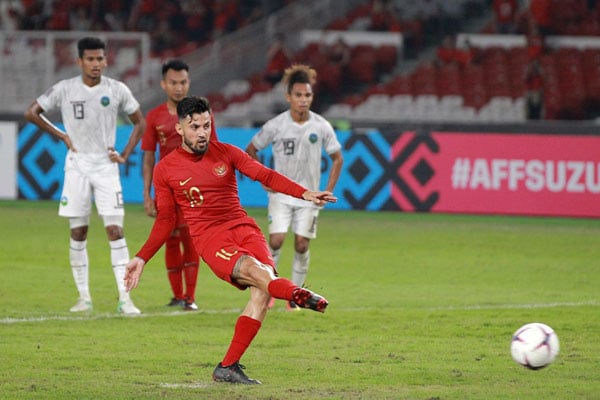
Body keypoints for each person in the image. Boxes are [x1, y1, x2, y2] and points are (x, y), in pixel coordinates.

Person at [124, 96, 334, 384]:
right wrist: (141, 257)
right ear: (180, 129)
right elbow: (165, 221)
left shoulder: (227, 153)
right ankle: (297, 293)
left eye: (207, 125)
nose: (202, 132)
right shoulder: (166, 170)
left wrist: (305, 193)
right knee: (259, 274)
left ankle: (228, 367)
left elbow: (264, 175)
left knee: (263, 290)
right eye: (194, 126)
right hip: (212, 239)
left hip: (245, 228)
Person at [24, 36, 146, 315]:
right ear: (79, 61)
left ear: (106, 60)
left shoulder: (117, 89)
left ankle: (126, 300)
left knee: (115, 231)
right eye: (90, 59)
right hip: (77, 165)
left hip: (106, 166)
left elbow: (140, 121)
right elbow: (31, 113)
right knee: (78, 232)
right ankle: (84, 298)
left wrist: (125, 154)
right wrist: (61, 135)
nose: (96, 64)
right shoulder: (65, 89)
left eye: (100, 59)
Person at [245, 64, 343, 310]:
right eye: (298, 95)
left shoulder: (321, 126)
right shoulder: (276, 125)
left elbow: (337, 158)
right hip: (280, 194)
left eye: (307, 95)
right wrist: (264, 179)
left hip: (309, 197)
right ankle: (268, 290)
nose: (303, 100)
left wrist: (327, 190)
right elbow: (251, 150)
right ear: (288, 97)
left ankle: (294, 298)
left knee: (301, 244)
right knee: (276, 241)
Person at [141, 59, 218, 311]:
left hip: (194, 188)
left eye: (183, 82)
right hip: (166, 188)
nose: (178, 87)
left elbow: (213, 151)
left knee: (190, 238)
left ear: (189, 82)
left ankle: (190, 297)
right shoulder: (154, 117)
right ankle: (177, 295)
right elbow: (149, 156)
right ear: (164, 84)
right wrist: (146, 194)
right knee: (170, 239)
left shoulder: (202, 114)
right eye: (173, 82)